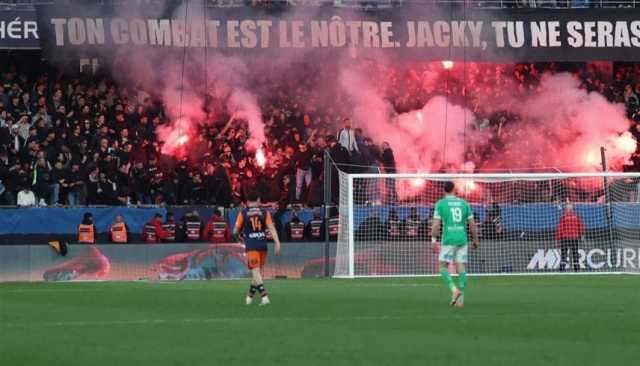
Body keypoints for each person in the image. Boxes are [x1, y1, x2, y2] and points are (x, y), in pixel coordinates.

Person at [431, 181, 479, 308]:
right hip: (462, 239)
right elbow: (472, 224)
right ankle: (461, 297)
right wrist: (475, 239)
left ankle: (454, 290)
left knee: (442, 267)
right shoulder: (464, 203)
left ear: (444, 190)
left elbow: (436, 225)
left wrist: (433, 240)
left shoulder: (440, 204)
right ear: (454, 190)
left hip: (448, 239)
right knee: (461, 267)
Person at [233, 191, 281, 306]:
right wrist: (277, 242)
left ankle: (264, 297)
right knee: (257, 273)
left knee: (255, 272)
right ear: (258, 199)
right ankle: (249, 297)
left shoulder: (243, 213)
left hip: (251, 245)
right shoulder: (265, 212)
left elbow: (234, 231)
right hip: (262, 245)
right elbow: (271, 228)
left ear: (247, 201)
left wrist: (239, 239)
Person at [556, 203, 585, 272]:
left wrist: (582, 234)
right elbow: (560, 228)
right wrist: (558, 239)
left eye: (569, 207)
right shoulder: (563, 217)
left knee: (573, 254)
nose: (568, 209)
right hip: (567, 238)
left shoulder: (575, 216)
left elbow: (580, 226)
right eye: (567, 207)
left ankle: (576, 270)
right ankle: (563, 270)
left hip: (572, 237)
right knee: (565, 254)